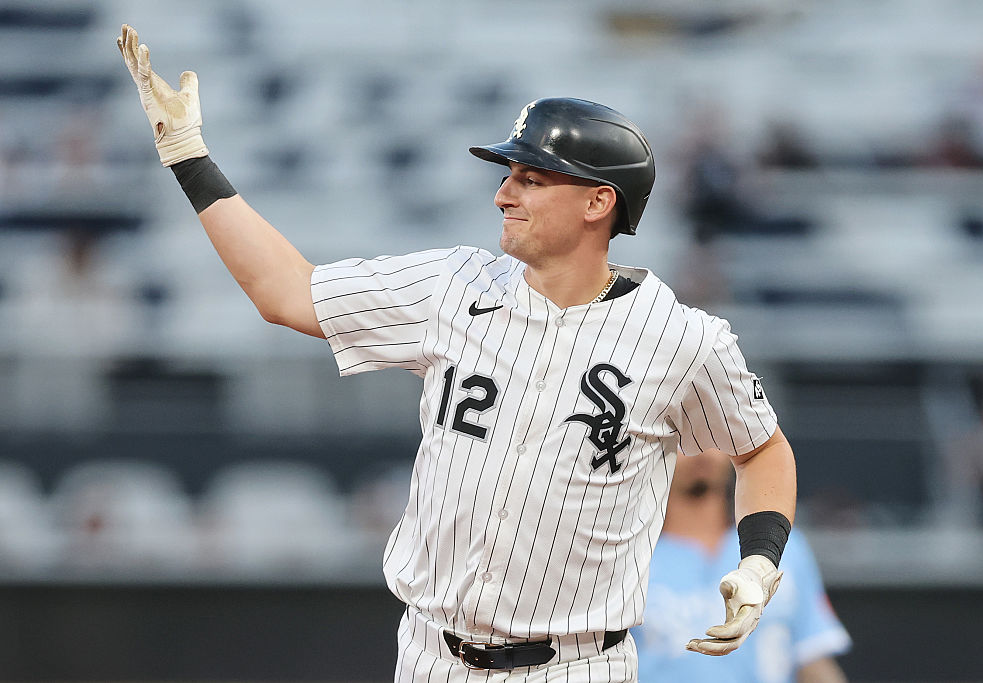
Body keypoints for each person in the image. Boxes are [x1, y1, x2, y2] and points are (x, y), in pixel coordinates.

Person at [117, 24, 798, 682]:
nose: (504, 192)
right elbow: (286, 292)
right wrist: (187, 154)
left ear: (599, 201)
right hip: (429, 655)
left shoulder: (682, 338)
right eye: (511, 174)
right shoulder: (453, 286)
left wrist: (761, 561)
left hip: (576, 664)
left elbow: (762, 449)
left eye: (532, 178)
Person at [634, 449, 851, 683]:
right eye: (683, 440)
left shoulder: (782, 544)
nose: (701, 450)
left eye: (712, 436)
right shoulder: (629, 554)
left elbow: (812, 656)